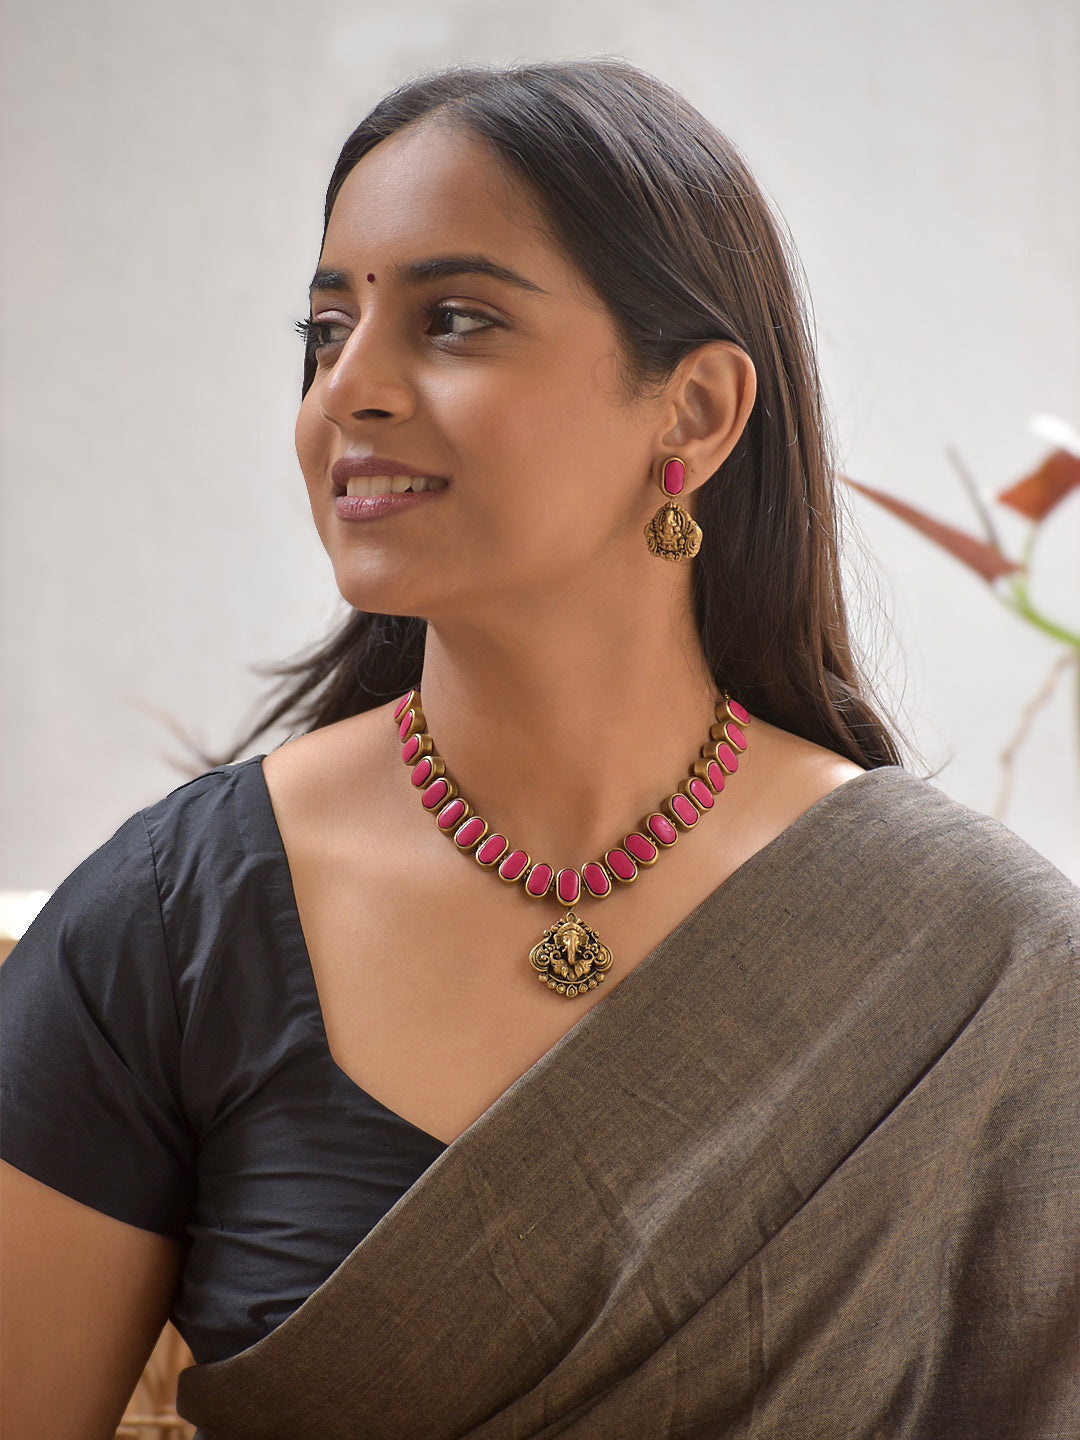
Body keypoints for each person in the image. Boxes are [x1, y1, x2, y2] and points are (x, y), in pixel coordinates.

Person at [1, 60, 1075, 1440]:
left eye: (452, 321)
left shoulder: (987, 966)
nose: (351, 391)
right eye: (325, 331)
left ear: (693, 413)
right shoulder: (175, 922)